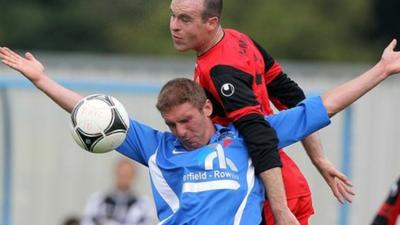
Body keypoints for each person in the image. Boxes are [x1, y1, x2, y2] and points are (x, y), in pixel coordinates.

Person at [0, 39, 399, 224]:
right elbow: (92, 114)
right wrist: (41, 80)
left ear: (207, 107)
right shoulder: (159, 148)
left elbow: (323, 104)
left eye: (186, 121)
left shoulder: (245, 137)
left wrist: (381, 70)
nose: (180, 131)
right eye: (171, 124)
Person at [169, 0, 352, 224]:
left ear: (212, 23)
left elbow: (259, 136)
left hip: (263, 195)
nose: (174, 26)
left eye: (185, 19)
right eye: (173, 16)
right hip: (284, 183)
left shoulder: (222, 73)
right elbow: (293, 98)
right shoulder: (239, 40)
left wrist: (279, 207)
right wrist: (320, 159)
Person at [81, 158, 153, 225]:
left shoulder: (142, 204)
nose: (124, 178)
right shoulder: (97, 200)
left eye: (127, 174)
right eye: (122, 174)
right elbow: (87, 221)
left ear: (133, 176)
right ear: (115, 173)